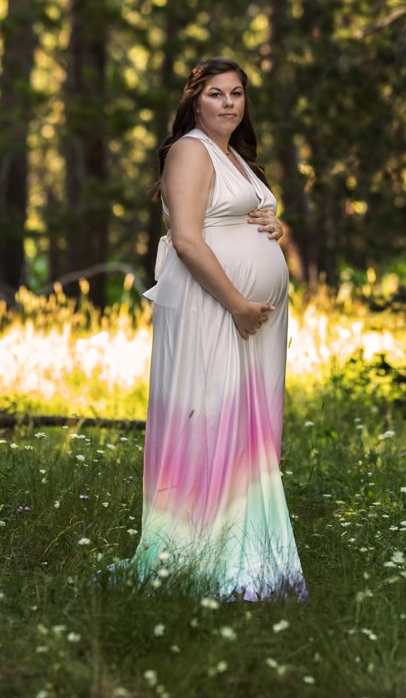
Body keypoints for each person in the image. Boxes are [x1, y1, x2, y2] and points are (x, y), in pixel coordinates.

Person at [114, 57, 308, 601]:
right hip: (213, 312)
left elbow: (246, 221)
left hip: (249, 319)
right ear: (195, 101)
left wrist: (277, 225)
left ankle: (248, 548)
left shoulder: (237, 159)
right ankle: (205, 554)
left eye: (237, 94)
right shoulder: (190, 151)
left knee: (250, 426)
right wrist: (238, 305)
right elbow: (188, 240)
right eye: (217, 94)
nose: (228, 103)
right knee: (213, 415)